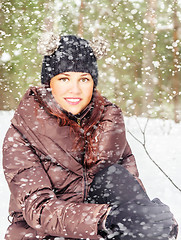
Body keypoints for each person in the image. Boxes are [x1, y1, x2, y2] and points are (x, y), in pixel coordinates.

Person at [3, 34, 178, 240]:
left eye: (84, 79)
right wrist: (105, 219)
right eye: (64, 78)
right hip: (41, 234)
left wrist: (151, 219)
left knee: (116, 177)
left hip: (99, 233)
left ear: (93, 83)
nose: (75, 89)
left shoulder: (109, 125)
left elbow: (130, 191)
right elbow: (39, 210)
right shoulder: (23, 132)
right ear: (49, 83)